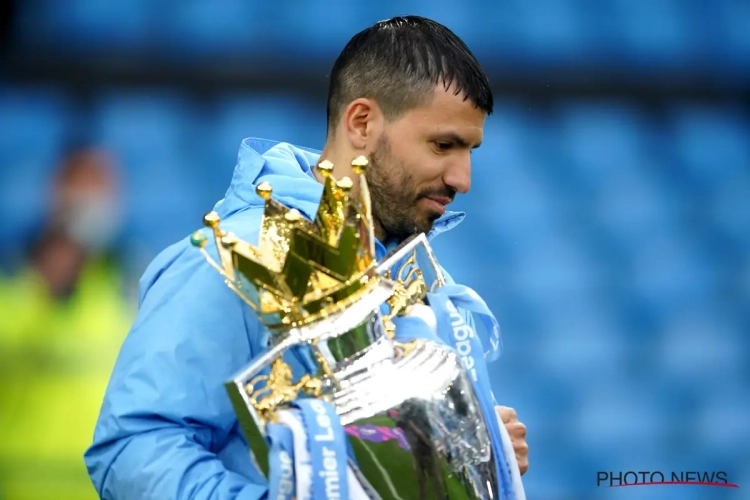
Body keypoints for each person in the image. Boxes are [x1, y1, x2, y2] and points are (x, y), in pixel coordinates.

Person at [85, 16, 528, 499]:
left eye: (470, 150)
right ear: (361, 123)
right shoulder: (233, 261)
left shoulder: (419, 273)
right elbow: (133, 453)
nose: (462, 178)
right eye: (443, 145)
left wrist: (477, 452)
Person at [0, 146, 132, 499]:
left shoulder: (124, 284)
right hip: (20, 486)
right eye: (82, 186)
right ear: (55, 193)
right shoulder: (14, 283)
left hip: (98, 487)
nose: (94, 201)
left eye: (103, 188)